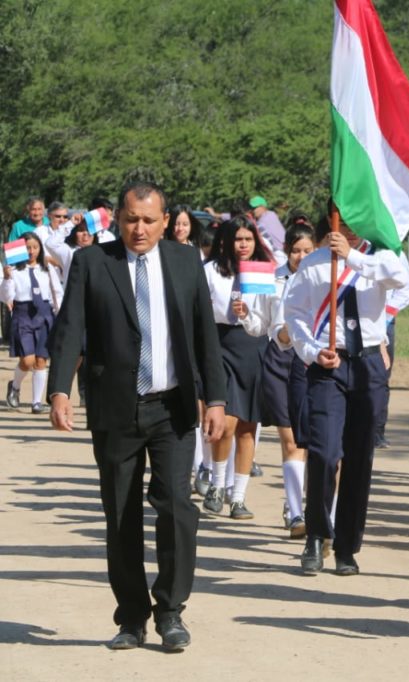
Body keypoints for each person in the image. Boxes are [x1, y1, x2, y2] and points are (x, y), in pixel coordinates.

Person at [46, 181, 227, 651]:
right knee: (121, 514)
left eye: (149, 220)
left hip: (173, 408)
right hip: (116, 408)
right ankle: (131, 617)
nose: (139, 228)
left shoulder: (186, 261)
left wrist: (218, 399)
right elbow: (70, 331)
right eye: (130, 219)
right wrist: (59, 391)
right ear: (117, 220)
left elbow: (206, 334)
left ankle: (170, 611)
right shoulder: (92, 262)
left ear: (165, 221)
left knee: (177, 508)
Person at [283, 214, 409, 576]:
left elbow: (401, 280)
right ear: (332, 219)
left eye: (359, 216)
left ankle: (346, 546)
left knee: (359, 458)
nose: (352, 226)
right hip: (329, 364)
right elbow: (294, 314)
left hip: (368, 363)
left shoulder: (381, 255)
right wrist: (310, 351)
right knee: (323, 452)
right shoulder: (314, 262)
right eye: (345, 218)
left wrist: (352, 257)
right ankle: (316, 534)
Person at [200, 217, 273, 519]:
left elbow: (267, 318)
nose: (243, 245)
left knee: (247, 427)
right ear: (226, 241)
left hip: (253, 346)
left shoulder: (263, 272)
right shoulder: (210, 270)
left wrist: (247, 314)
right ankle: (217, 484)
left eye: (249, 239)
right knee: (225, 423)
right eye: (238, 239)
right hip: (220, 345)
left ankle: (239, 496)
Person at [262, 223, 317, 536]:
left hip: (315, 361)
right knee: (291, 439)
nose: (300, 256)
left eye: (307, 250)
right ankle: (295, 513)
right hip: (282, 359)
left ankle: (313, 507)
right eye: (295, 250)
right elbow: (267, 325)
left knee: (315, 443)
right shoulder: (275, 278)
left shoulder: (325, 276)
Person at [3, 232, 63, 413]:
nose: (31, 251)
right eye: (27, 247)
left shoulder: (46, 269)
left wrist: (59, 312)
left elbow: (56, 291)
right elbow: (6, 296)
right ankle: (15, 386)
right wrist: (6, 278)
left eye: (35, 247)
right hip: (23, 314)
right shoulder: (14, 271)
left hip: (44, 314)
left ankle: (37, 402)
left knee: (41, 360)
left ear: (40, 249)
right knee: (27, 360)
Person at [375, 249, 409, 449]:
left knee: (380, 376)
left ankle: (377, 431)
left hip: (384, 322)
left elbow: (406, 288)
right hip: (351, 322)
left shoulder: (393, 250)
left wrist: (386, 315)